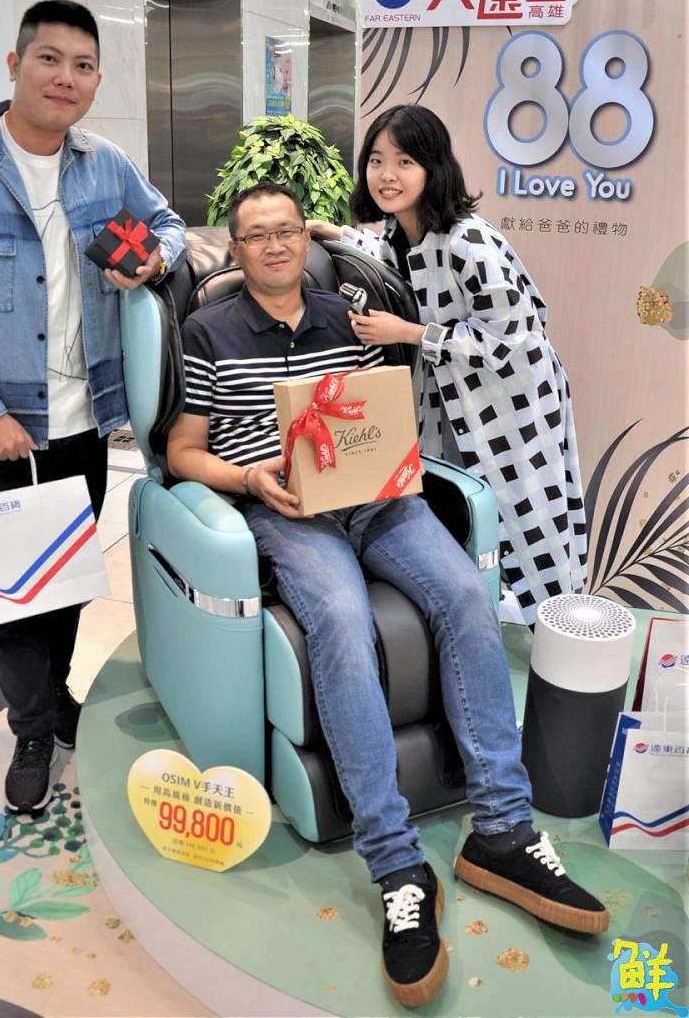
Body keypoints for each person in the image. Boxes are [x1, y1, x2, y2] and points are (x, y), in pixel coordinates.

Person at [167, 181, 607, 1008]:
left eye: (286, 229)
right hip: (286, 510)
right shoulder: (207, 330)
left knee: (467, 595)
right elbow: (183, 450)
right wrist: (251, 480)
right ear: (236, 249)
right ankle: (397, 864)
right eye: (256, 234)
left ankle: (504, 830)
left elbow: (381, 420)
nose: (274, 244)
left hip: (376, 500)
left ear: (306, 240)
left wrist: (391, 464)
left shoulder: (348, 316)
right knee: (340, 619)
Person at [0, 0, 186, 813]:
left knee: (63, 576)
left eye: (83, 66)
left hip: (86, 416)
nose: (66, 78)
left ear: (96, 79)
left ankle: (53, 695)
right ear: (15, 64)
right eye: (50, 60)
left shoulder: (104, 165)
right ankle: (32, 730)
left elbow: (165, 223)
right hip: (0, 429)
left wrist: (150, 261)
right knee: (14, 587)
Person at [308, 105, 587, 627]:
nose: (387, 175)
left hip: (513, 404)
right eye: (376, 160)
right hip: (458, 403)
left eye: (405, 161)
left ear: (433, 168)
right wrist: (338, 234)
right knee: (466, 505)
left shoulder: (468, 241)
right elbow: (387, 258)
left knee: (531, 517)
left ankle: (558, 631)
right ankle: (489, 608)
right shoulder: (399, 232)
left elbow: (513, 339)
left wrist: (409, 333)